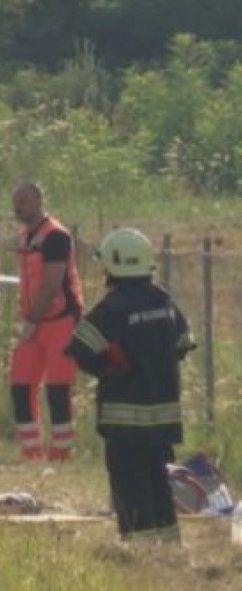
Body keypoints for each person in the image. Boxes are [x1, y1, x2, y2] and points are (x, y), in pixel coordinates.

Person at [65, 228, 195, 542]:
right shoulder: (163, 301)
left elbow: (80, 348)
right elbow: (183, 343)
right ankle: (168, 543)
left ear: (114, 264)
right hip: (164, 416)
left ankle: (141, 549)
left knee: (130, 482)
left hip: (124, 418)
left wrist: (109, 370)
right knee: (158, 480)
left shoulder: (113, 307)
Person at [10, 182, 84, 461]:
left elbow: (51, 284)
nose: (19, 207)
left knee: (58, 387)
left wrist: (31, 319)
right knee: (20, 384)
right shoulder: (25, 237)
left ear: (40, 201)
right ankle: (31, 452)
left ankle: (61, 454)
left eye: (25, 200)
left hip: (60, 320)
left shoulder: (55, 236)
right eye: (17, 201)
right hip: (35, 319)